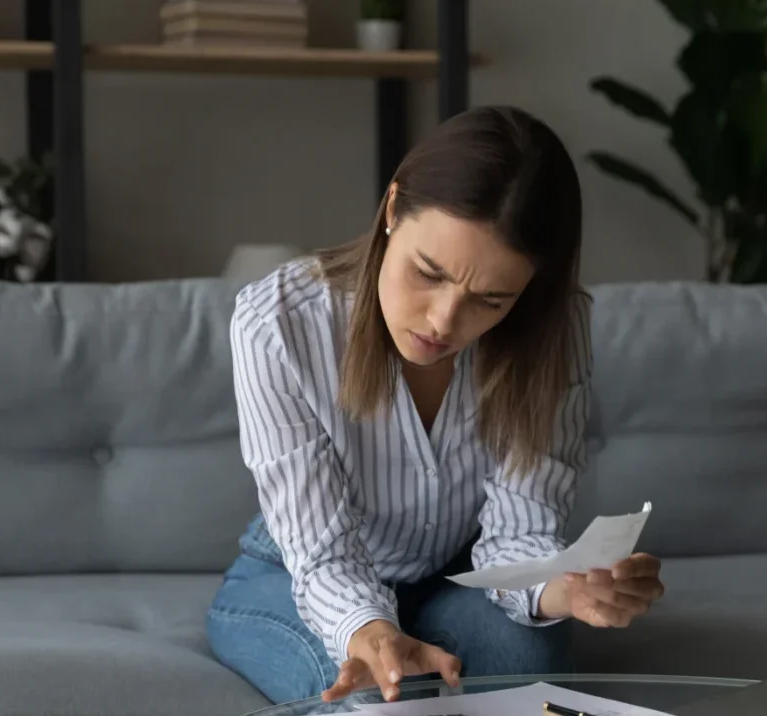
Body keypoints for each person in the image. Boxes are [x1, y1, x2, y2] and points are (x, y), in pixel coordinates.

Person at [206, 105, 665, 706]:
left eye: (491, 300)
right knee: (377, 697)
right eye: (428, 273)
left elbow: (519, 538)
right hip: (293, 575)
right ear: (394, 210)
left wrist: (572, 591)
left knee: (532, 666)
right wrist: (371, 631)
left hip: (458, 578)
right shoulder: (279, 325)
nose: (443, 322)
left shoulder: (554, 330)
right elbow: (323, 556)